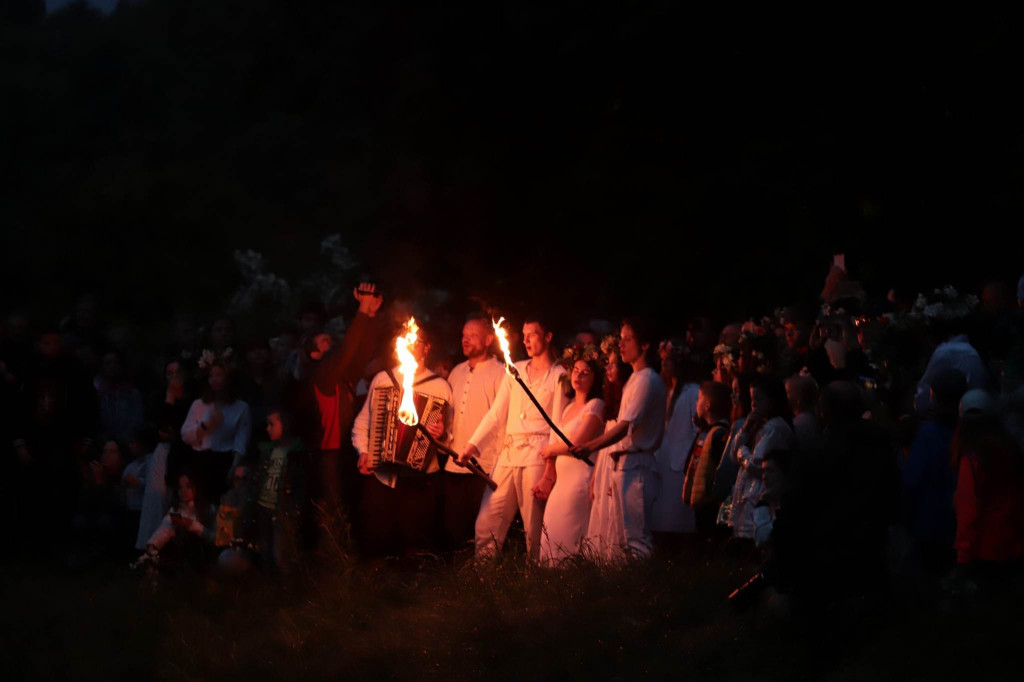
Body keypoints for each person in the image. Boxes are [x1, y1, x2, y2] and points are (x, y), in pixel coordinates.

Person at [459, 316, 567, 561]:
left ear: (548, 337)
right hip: (507, 457)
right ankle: (485, 580)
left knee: (534, 526)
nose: (527, 339)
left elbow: (557, 425)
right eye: (524, 334)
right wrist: (470, 446)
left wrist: (550, 468)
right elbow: (496, 414)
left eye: (533, 334)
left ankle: (536, 582)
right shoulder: (514, 369)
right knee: (487, 522)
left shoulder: (559, 374)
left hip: (537, 455)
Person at [352, 323, 452, 557]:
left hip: (419, 481)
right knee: (376, 540)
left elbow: (450, 440)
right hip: (382, 477)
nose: (409, 344)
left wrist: (442, 436)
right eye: (406, 339)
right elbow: (362, 423)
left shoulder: (440, 387)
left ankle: (413, 590)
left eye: (416, 341)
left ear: (427, 348)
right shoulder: (382, 379)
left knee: (413, 544)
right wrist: (364, 451)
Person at [571, 318, 666, 560]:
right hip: (624, 466)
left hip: (637, 467)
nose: (621, 344)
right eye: (620, 338)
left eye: (628, 339)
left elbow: (625, 427)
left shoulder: (647, 379)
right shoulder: (634, 379)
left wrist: (588, 446)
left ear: (644, 344)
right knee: (622, 539)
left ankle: (643, 594)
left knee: (637, 541)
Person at [307, 284, 383, 542]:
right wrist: (362, 309)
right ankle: (329, 561)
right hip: (328, 454)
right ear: (314, 353)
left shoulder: (341, 376)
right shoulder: (322, 374)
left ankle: (348, 560)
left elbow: (362, 352)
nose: (332, 344)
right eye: (324, 342)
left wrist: (371, 315)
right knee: (332, 506)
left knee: (350, 504)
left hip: (346, 450)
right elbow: (349, 348)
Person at [950, 389, 1024, 592]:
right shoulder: (1009, 448)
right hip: (1013, 542)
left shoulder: (972, 459)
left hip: (986, 549)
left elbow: (968, 511)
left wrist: (962, 558)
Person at [442, 315, 505, 552]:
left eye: (473, 335)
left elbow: (501, 421)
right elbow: (449, 419)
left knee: (482, 531)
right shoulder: (456, 372)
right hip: (453, 465)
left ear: (489, 339)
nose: (465, 340)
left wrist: (498, 465)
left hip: (484, 467)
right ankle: (460, 582)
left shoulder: (500, 373)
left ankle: (483, 581)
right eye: (463, 335)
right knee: (454, 530)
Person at [537, 352, 605, 564]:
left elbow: (577, 442)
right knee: (552, 527)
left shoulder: (595, 406)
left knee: (569, 531)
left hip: (579, 480)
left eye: (585, 373)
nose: (578, 376)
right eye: (576, 371)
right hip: (562, 481)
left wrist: (550, 450)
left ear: (594, 379)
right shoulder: (567, 408)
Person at [727, 374, 794, 547]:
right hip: (745, 501)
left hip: (757, 500)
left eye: (759, 399)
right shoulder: (758, 425)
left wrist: (743, 452)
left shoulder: (775, 427)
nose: (754, 404)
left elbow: (756, 464)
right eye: (751, 399)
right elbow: (733, 456)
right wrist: (746, 429)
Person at [585, 338, 632, 559]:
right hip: (605, 463)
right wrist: (595, 475)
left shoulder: (630, 397)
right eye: (608, 363)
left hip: (619, 463)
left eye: (613, 363)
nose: (608, 368)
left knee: (616, 518)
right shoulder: (610, 398)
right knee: (601, 514)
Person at [179, 360, 252, 499]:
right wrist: (208, 424)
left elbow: (241, 442)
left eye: (219, 375)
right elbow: (186, 435)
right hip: (201, 461)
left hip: (224, 462)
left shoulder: (241, 408)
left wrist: (234, 468)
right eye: (211, 375)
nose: (214, 379)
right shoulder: (200, 404)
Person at [651, 342, 700, 541]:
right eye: (662, 361)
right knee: (661, 514)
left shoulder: (691, 392)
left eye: (668, 361)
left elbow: (696, 429)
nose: (663, 366)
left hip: (680, 459)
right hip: (663, 458)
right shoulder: (664, 390)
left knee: (677, 515)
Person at [253, 409, 309, 571]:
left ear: (285, 425)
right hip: (264, 505)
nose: (267, 428)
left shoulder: (296, 453)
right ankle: (268, 588)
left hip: (282, 509)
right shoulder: (269, 451)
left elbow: (300, 483)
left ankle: (285, 588)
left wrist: (295, 509)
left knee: (280, 554)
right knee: (265, 550)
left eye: (272, 424)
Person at [682, 381, 732, 535]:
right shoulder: (705, 432)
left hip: (710, 502)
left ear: (707, 405)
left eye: (699, 399)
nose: (696, 403)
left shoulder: (718, 434)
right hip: (700, 499)